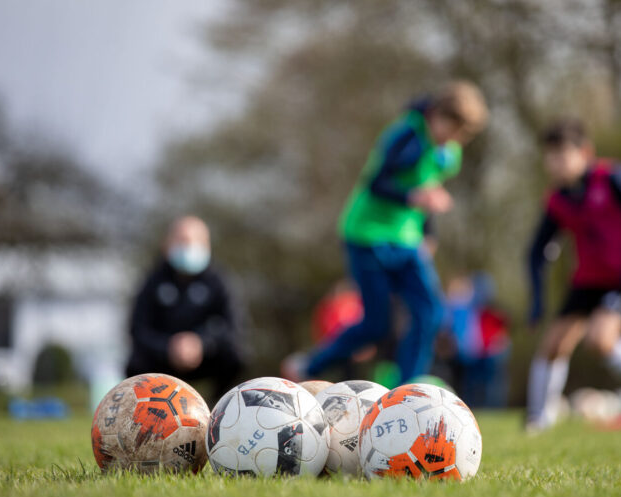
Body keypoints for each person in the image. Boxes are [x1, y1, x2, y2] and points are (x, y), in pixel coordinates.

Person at [282, 81, 488, 383]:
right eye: (451, 129)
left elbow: (428, 192)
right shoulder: (406, 135)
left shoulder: (449, 152)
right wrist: (412, 197)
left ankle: (407, 389)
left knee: (429, 311)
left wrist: (429, 235)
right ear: (436, 115)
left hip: (406, 240)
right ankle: (308, 367)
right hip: (367, 235)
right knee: (378, 325)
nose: (453, 139)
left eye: (461, 136)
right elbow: (377, 184)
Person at [525, 119, 621, 432]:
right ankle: (539, 419)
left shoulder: (614, 178)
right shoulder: (558, 200)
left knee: (600, 339)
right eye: (550, 156)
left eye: (562, 155)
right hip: (590, 278)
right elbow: (536, 252)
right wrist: (537, 299)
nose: (555, 163)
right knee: (553, 343)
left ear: (585, 153)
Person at [127, 216, 245, 403]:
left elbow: (233, 326)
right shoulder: (152, 281)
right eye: (182, 240)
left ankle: (219, 407)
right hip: (163, 358)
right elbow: (138, 329)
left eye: (196, 241)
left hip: (206, 357)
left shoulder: (220, 280)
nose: (189, 246)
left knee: (237, 355)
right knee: (135, 362)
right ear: (166, 244)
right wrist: (168, 346)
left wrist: (201, 343)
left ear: (207, 246)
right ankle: (147, 410)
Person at [444, 273, 511, 408]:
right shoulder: (460, 310)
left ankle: (493, 408)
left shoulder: (490, 312)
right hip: (468, 356)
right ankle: (470, 407)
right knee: (469, 387)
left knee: (492, 387)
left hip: (489, 355)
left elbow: (503, 330)